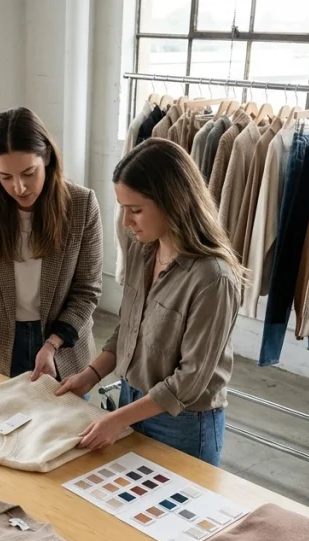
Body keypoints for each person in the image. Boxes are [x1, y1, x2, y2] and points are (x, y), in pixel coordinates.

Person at [56, 138, 245, 466]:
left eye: (136, 210)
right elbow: (129, 329)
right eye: (123, 209)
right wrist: (90, 375)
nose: (127, 222)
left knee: (175, 515)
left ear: (173, 202)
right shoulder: (143, 249)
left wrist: (118, 419)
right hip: (130, 400)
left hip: (183, 424)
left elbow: (190, 380)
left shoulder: (214, 278)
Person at [0, 107, 103, 397]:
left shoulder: (81, 205)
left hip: (64, 347)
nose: (19, 187)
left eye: (29, 173)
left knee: (62, 435)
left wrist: (52, 345)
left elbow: (87, 289)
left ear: (46, 157)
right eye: (5, 177)